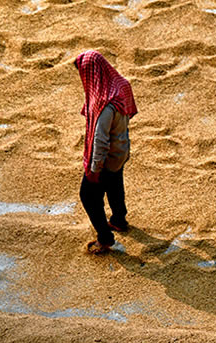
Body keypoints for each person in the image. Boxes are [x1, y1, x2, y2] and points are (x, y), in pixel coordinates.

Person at [75, 51, 137, 255]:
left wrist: (94, 170)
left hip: (107, 157)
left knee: (88, 196)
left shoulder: (103, 105)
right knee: (115, 184)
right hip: (121, 150)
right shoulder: (120, 86)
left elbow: (100, 142)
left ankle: (105, 238)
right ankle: (119, 220)